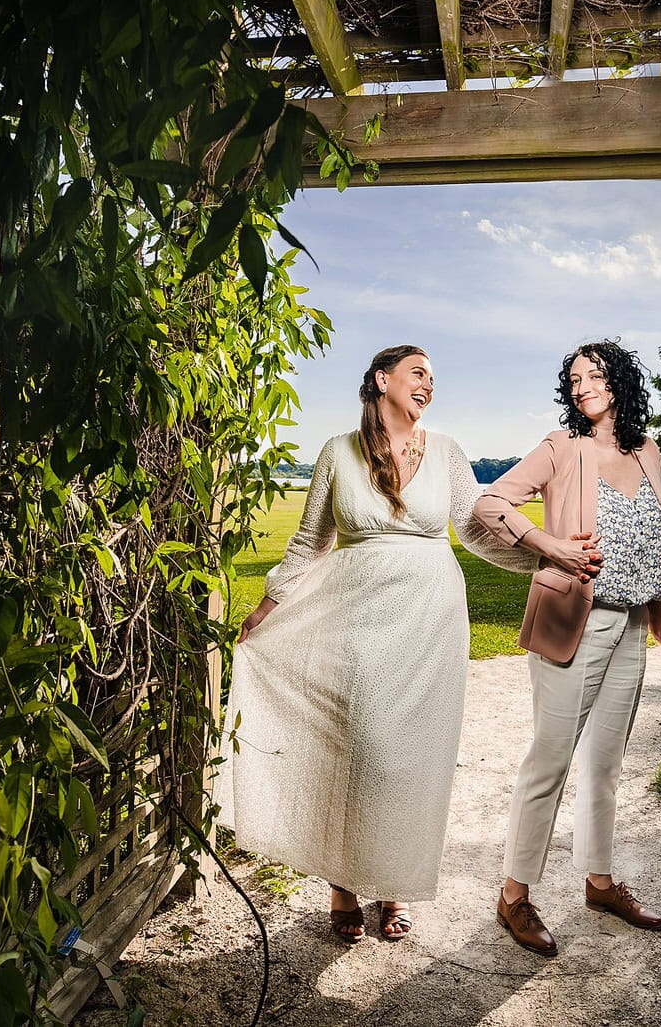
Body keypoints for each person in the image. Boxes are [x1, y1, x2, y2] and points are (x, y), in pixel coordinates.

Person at [217, 345, 535, 943]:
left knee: (409, 756)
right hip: (356, 620)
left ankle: (393, 885)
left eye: (433, 377)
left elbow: (475, 530)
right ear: (382, 379)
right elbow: (310, 541)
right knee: (356, 748)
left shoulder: (448, 451)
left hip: (431, 623)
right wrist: (269, 604)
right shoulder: (337, 451)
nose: (429, 384)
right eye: (419, 373)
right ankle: (342, 884)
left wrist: (547, 558)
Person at [472, 340, 661, 957]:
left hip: (631, 627)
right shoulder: (561, 447)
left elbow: (659, 545)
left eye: (595, 375)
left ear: (620, 382)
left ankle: (599, 882)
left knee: (605, 763)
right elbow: (490, 503)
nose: (583, 386)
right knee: (551, 759)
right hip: (575, 621)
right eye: (574, 379)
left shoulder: (647, 451)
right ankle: (514, 895)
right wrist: (551, 546)